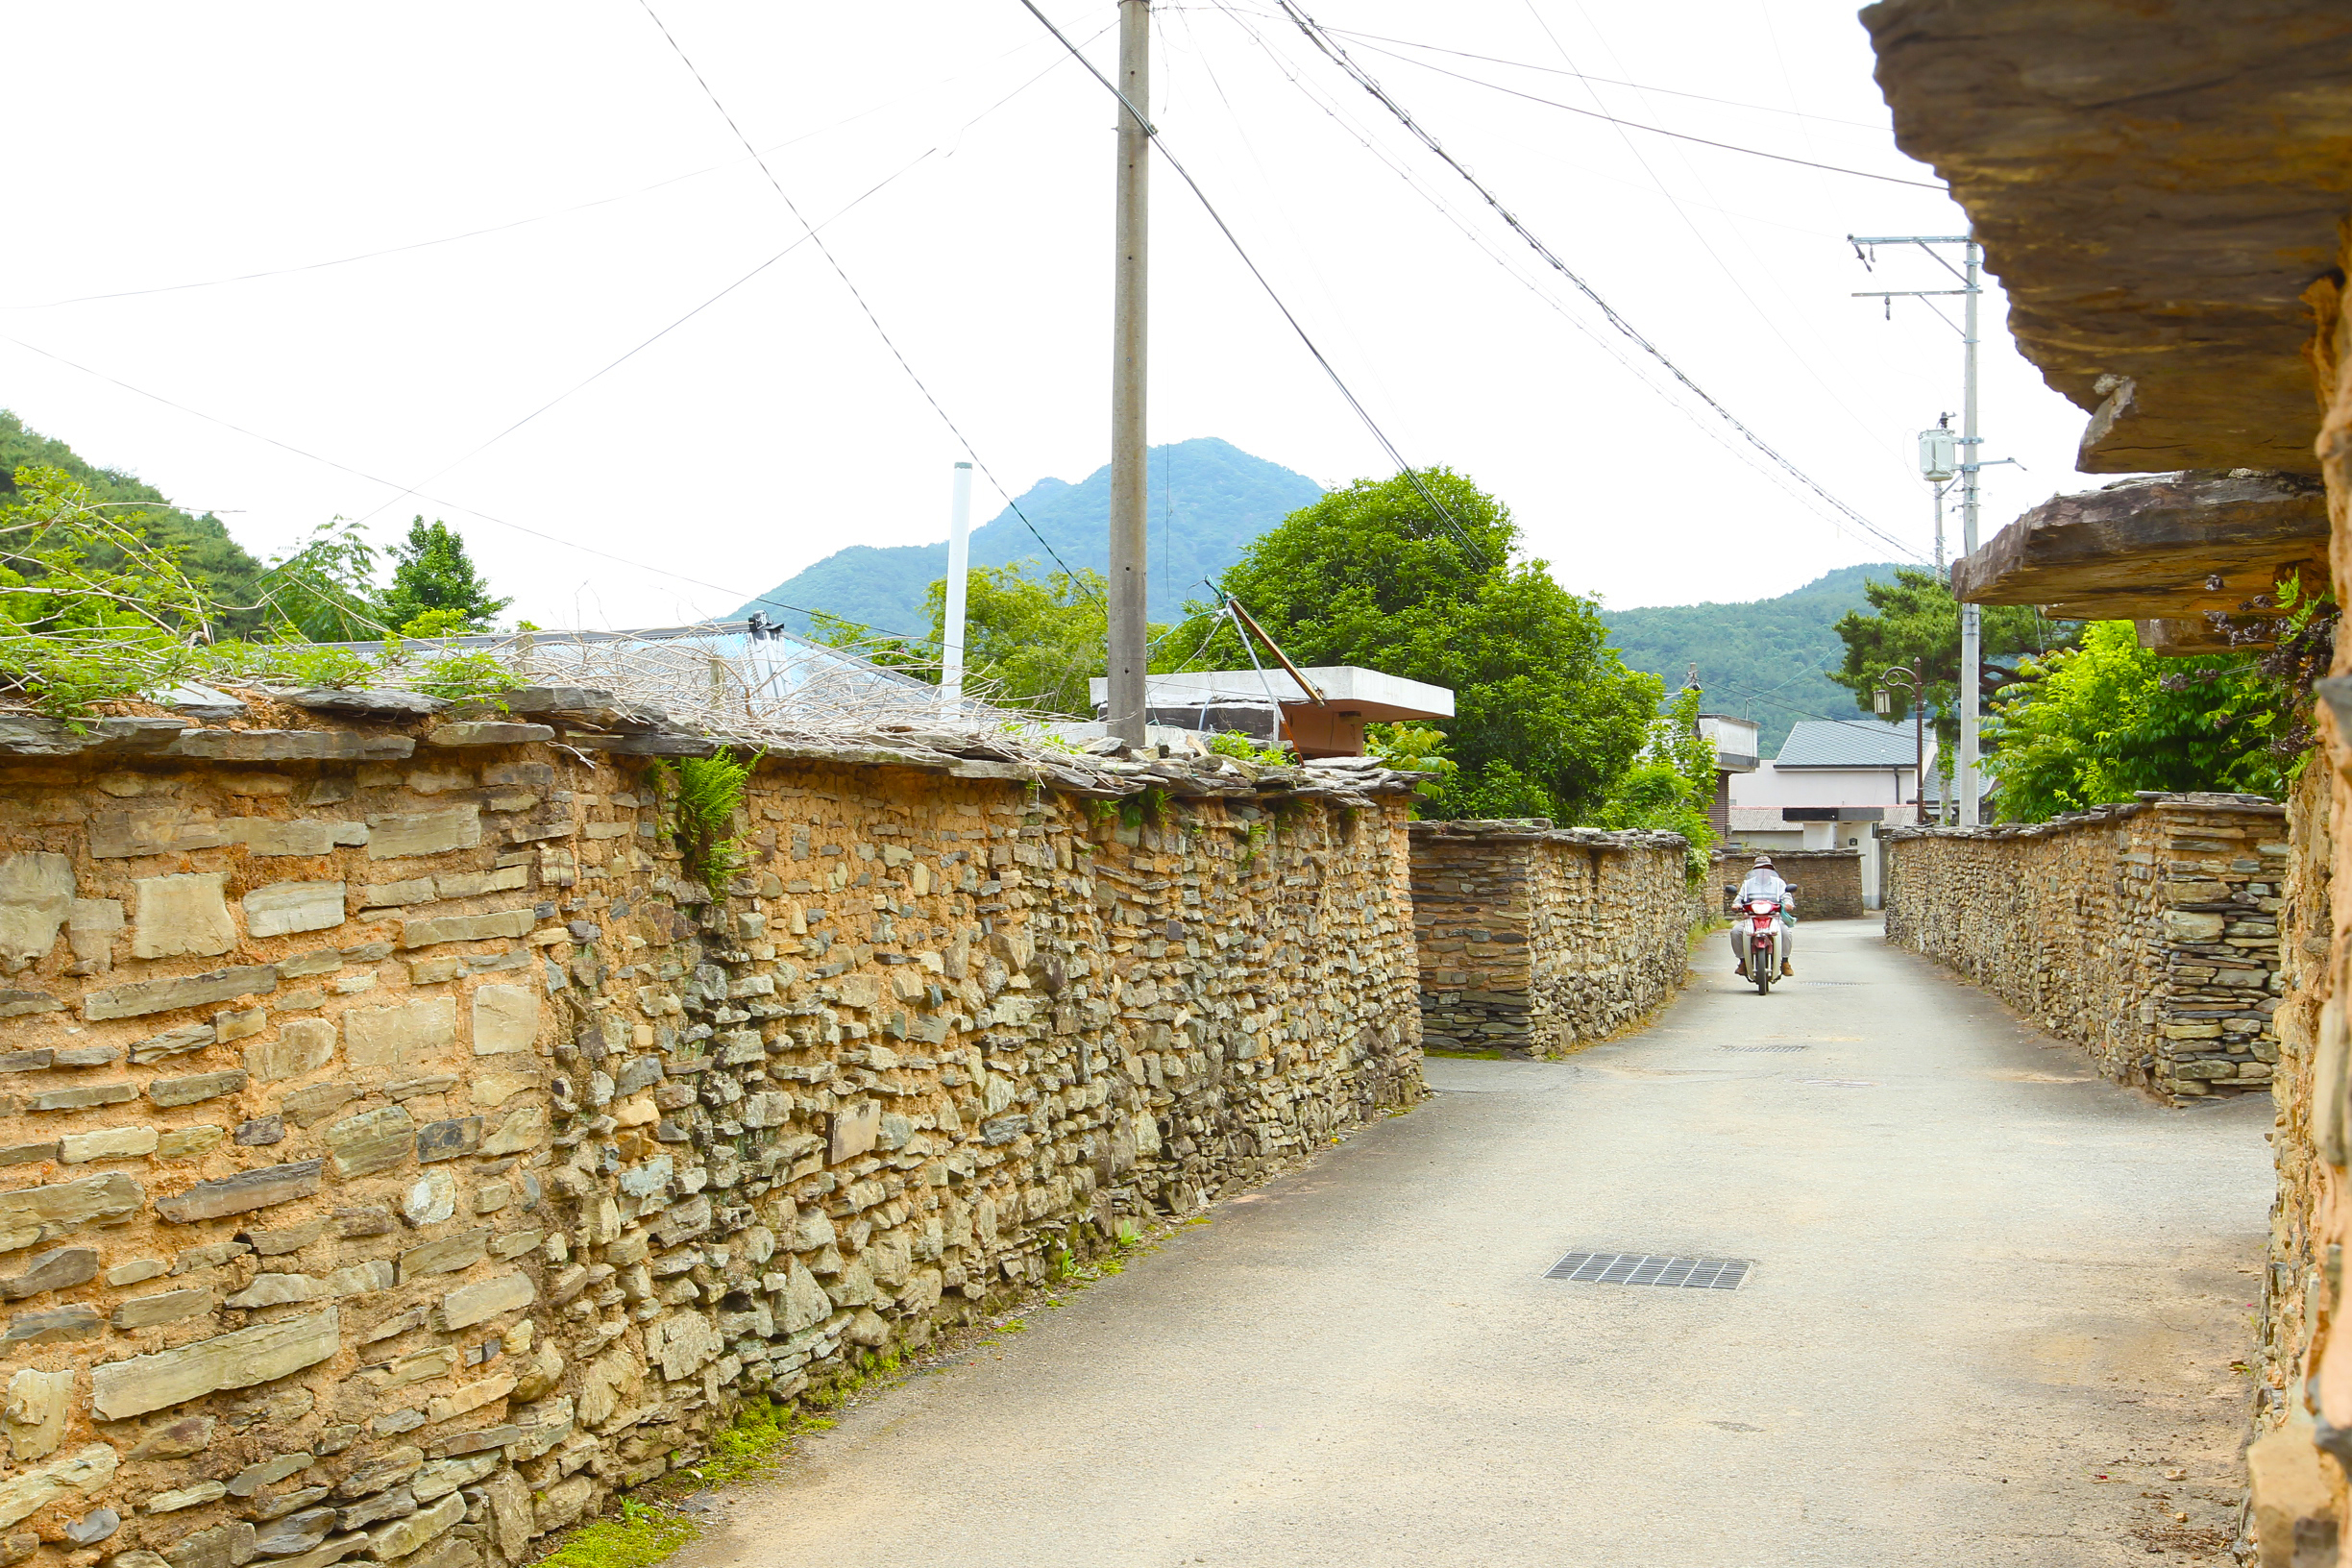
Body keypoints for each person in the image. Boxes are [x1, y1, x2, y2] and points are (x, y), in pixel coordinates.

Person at [1729, 854, 1795, 977]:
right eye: (1760, 869)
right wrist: (1736, 905)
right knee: (1736, 931)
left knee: (1785, 932)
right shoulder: (1748, 884)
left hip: (1773, 917)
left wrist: (1788, 904)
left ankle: (1785, 961)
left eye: (1766, 869)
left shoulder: (1779, 883)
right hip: (1751, 917)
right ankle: (1742, 961)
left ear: (1771, 871)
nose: (1763, 872)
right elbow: (1740, 898)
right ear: (1755, 871)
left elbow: (1786, 896)